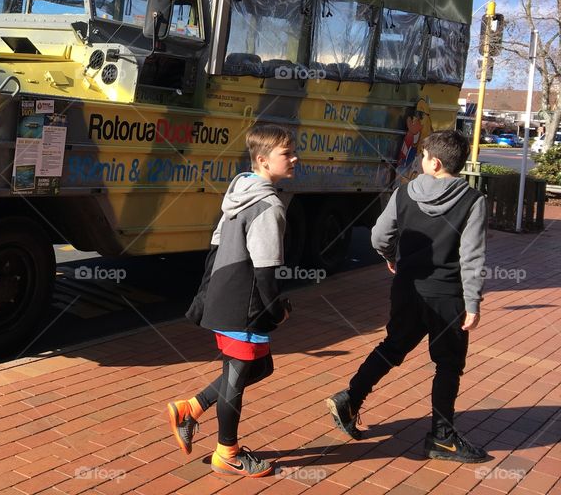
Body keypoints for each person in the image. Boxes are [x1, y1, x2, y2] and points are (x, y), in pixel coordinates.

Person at [326, 129, 490, 463]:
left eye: (424, 156)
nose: (420, 161)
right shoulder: (473, 200)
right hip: (447, 295)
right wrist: (473, 302)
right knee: (448, 363)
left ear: (435, 163)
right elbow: (472, 256)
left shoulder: (403, 194)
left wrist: (391, 256)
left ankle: (350, 399)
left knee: (393, 346)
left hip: (408, 288)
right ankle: (442, 437)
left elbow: (378, 236)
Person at [167, 123, 297, 478]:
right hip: (245, 303)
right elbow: (267, 271)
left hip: (227, 296)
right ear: (262, 160)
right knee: (238, 378)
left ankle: (190, 408)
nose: (294, 158)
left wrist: (206, 297)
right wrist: (278, 310)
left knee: (260, 367)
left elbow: (214, 248)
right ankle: (228, 452)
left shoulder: (238, 193)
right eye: (287, 153)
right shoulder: (269, 205)